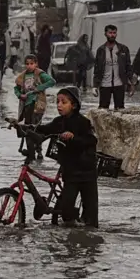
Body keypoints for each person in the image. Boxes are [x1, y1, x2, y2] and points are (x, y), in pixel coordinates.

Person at [34, 86, 98, 227]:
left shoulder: (83, 122)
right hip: (69, 171)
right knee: (66, 211)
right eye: (57, 102)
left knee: (91, 217)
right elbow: (44, 129)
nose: (59, 105)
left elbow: (91, 140)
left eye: (63, 102)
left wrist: (73, 137)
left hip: (85, 171)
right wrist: (24, 127)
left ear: (73, 105)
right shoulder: (59, 122)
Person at [14, 54, 56, 160]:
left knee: (36, 128)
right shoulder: (22, 76)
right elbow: (16, 88)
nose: (29, 66)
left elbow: (52, 81)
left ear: (36, 64)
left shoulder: (39, 74)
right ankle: (30, 151)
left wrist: (39, 88)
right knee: (27, 128)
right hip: (26, 106)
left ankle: (39, 150)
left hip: (37, 105)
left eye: (32, 64)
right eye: (27, 64)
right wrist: (20, 95)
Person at [93, 25, 132, 109]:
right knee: (102, 110)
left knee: (120, 109)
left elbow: (128, 67)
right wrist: (95, 86)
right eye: (110, 33)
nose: (112, 35)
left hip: (119, 84)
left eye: (114, 33)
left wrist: (131, 84)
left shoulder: (123, 49)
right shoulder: (101, 50)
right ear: (105, 34)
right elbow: (97, 69)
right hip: (104, 84)